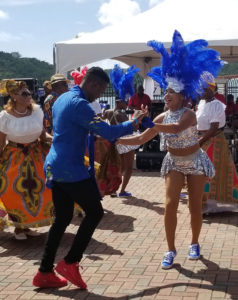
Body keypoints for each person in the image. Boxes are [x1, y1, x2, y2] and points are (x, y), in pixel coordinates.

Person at [117, 30, 224, 269]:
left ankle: (194, 242)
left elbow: (175, 128)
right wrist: (118, 140)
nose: (166, 96)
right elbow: (142, 138)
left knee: (195, 205)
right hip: (174, 162)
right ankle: (170, 249)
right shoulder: (162, 115)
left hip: (195, 161)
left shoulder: (189, 115)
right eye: (165, 92)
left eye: (170, 93)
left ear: (182, 96)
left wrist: (149, 122)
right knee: (169, 205)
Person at [33, 67, 145, 289]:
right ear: (93, 84)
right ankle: (70, 262)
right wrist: (134, 122)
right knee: (95, 212)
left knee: (63, 218)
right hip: (70, 169)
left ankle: (44, 271)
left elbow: (73, 129)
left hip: (56, 166)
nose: (100, 95)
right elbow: (109, 133)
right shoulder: (79, 104)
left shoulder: (62, 98)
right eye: (101, 90)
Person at [0, 79, 53, 240]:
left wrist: (57, 140)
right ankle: (18, 228)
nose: (29, 96)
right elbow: (1, 142)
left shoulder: (37, 111)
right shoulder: (4, 116)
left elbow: (43, 135)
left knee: (41, 190)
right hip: (14, 156)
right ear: (13, 96)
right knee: (14, 192)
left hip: (36, 154)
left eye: (29, 93)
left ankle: (28, 226)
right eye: (24, 93)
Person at [196, 81, 238, 213]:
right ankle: (203, 202)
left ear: (212, 89)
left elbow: (213, 128)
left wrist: (200, 141)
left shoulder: (217, 105)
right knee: (202, 170)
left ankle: (209, 203)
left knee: (209, 171)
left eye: (204, 89)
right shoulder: (202, 103)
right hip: (203, 139)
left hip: (213, 141)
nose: (201, 91)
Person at [102, 64, 141, 197]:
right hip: (126, 141)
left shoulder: (107, 111)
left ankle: (112, 189)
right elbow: (131, 127)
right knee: (128, 168)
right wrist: (138, 118)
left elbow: (100, 118)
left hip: (115, 141)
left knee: (118, 167)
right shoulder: (122, 114)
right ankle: (122, 190)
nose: (126, 103)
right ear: (119, 102)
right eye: (125, 101)